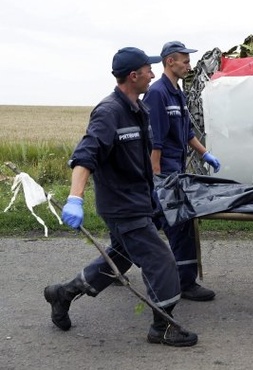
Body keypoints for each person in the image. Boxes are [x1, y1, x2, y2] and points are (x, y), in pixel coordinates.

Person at [43, 47, 198, 347]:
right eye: (148, 70)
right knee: (161, 259)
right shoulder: (109, 112)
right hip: (121, 205)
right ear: (133, 75)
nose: (153, 74)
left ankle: (63, 293)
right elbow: (85, 156)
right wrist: (75, 198)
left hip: (139, 199)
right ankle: (163, 327)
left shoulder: (138, 109)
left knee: (122, 257)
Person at [143, 41, 220, 302]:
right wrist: (157, 178)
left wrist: (204, 153)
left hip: (174, 169)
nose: (189, 65)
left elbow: (186, 132)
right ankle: (185, 283)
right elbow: (155, 140)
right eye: (185, 61)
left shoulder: (177, 92)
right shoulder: (157, 93)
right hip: (162, 172)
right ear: (170, 62)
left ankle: (110, 267)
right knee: (180, 224)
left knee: (145, 226)